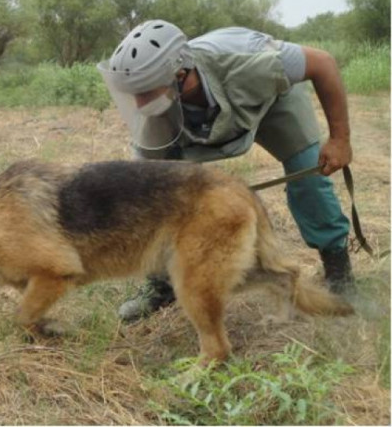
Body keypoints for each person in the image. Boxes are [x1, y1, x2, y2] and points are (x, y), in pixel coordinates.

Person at [96, 19, 355, 322]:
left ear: (180, 75)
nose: (138, 104)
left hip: (269, 104)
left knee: (309, 177)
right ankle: (160, 285)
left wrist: (340, 139)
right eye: (133, 94)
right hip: (186, 113)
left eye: (145, 92)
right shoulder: (154, 102)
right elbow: (143, 182)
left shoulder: (250, 59)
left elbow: (323, 63)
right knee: (155, 196)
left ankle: (338, 268)